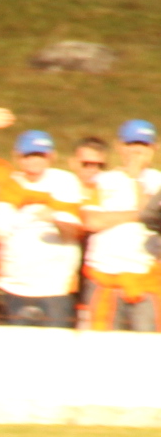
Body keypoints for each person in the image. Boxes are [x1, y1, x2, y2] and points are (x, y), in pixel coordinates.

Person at [0, 129, 85, 326]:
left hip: (55, 288)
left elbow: (73, 233)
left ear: (52, 156)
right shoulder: (8, 186)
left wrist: (54, 218)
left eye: (40, 155)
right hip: (13, 285)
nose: (34, 161)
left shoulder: (65, 182)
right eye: (28, 155)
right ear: (18, 157)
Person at [81, 118, 161, 332]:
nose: (137, 151)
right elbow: (92, 221)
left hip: (146, 281)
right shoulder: (102, 181)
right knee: (100, 346)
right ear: (120, 147)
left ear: (154, 148)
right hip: (105, 277)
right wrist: (138, 214)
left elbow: (153, 217)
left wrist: (136, 180)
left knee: (149, 347)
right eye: (131, 144)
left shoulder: (158, 181)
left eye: (143, 145)